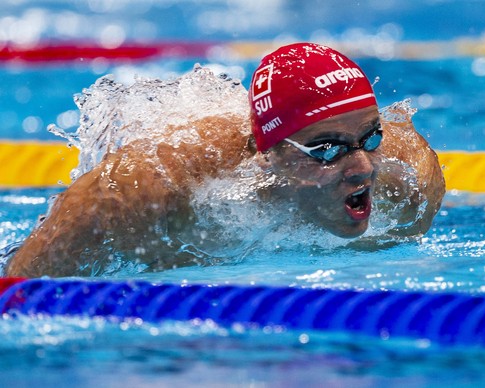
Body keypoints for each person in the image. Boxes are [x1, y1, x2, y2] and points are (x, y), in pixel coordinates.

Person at [5, 42, 445, 278]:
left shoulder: (410, 187)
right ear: (269, 154)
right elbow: (24, 284)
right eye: (326, 149)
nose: (362, 168)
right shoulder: (156, 191)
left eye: (370, 139)